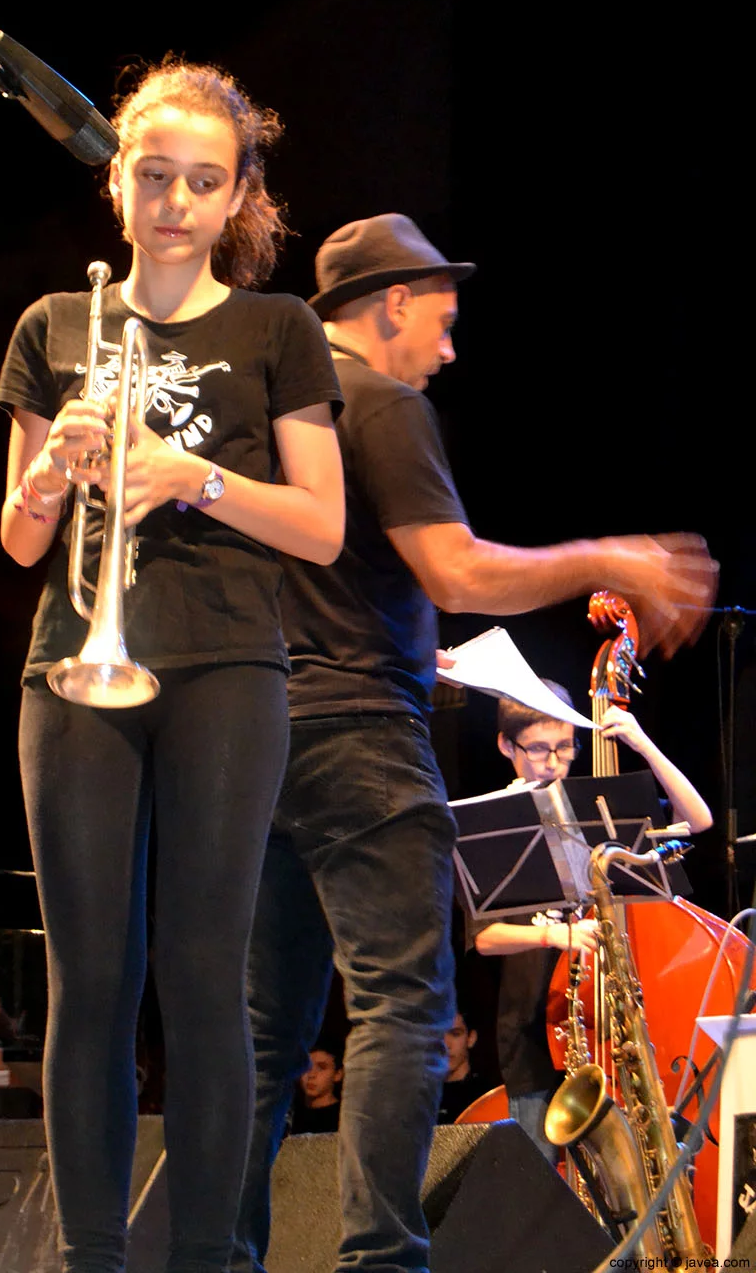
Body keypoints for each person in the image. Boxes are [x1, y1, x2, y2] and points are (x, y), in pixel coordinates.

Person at [232, 213, 717, 1273]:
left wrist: (426, 655)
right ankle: (382, 1262)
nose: (449, 351)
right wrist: (613, 555)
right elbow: (454, 573)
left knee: (265, 1038)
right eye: (442, 323)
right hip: (361, 741)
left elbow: (328, 585)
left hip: (263, 742)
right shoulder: (385, 403)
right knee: (401, 1009)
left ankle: (220, 1257)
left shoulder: (279, 411)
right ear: (393, 305)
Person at [0, 61, 346, 1273]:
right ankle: (92, 1257)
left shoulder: (277, 330)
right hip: (76, 661)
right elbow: (20, 536)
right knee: (91, 976)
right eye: (155, 177)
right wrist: (58, 469)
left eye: (204, 182)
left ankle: (208, 1258)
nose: (176, 203)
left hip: (227, 669)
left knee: (205, 975)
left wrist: (186, 472)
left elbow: (321, 525)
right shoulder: (57, 325)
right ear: (117, 182)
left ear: (237, 193)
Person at [472, 682, 712, 1162]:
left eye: (565, 747)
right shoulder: (493, 821)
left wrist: (642, 743)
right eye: (539, 749)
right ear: (506, 745)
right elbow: (486, 939)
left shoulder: (597, 811)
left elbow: (698, 819)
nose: (554, 762)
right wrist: (557, 934)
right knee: (546, 1197)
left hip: (609, 1029)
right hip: (535, 1042)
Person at [436, 1007, 490, 1124]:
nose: (445, 1044)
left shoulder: (486, 1097)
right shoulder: (418, 1099)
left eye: (455, 1034)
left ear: (471, 1038)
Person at [290, 1045, 344, 1134]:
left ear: (338, 1074)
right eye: (306, 1067)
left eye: (321, 1067)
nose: (311, 1075)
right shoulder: (289, 1115)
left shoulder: (344, 1117)